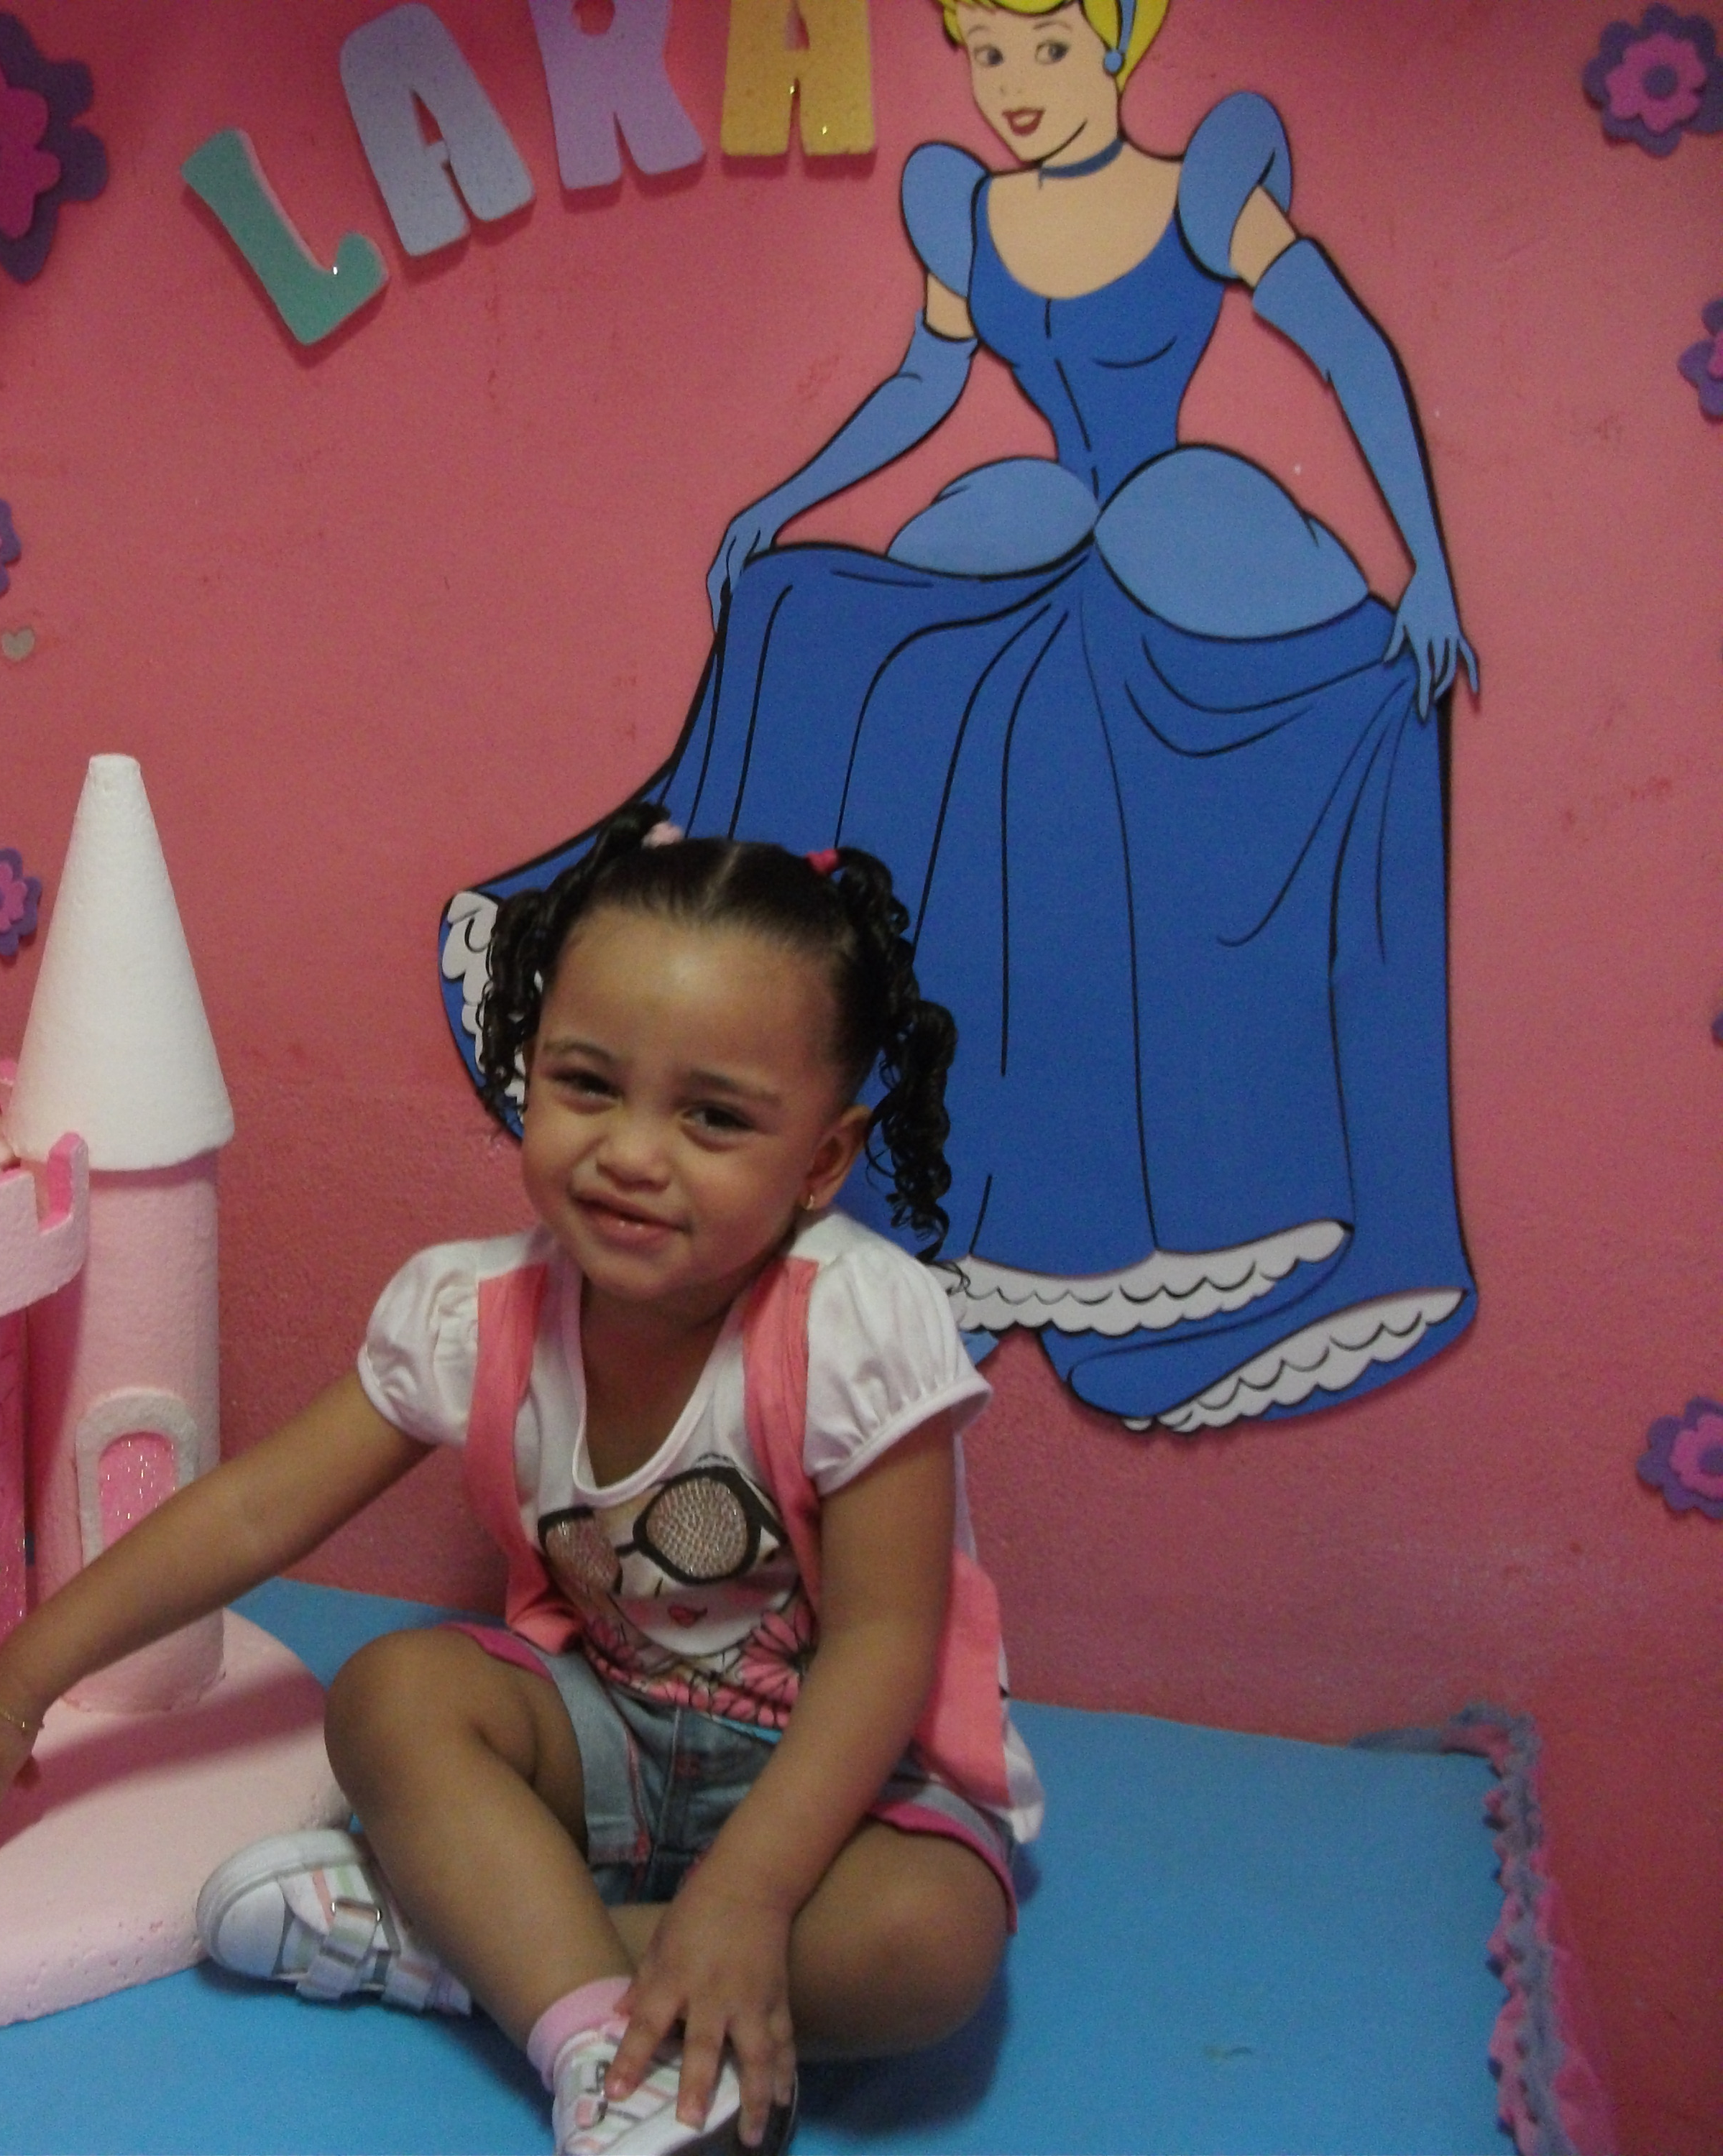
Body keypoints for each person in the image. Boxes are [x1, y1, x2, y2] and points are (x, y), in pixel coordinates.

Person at [0, 806, 1042, 2156]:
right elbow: (252, 1509)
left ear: (822, 1160)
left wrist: (751, 1897)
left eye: (713, 1117)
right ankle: (583, 2024)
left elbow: (886, 1639)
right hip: (613, 1734)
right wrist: (16, 1685)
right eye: (589, 1085)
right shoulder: (472, 1314)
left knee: (931, 1950)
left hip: (844, 1771)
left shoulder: (859, 1324)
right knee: (396, 1692)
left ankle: (453, 1944)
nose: (633, 1152)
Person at [441, 0, 1479, 1435]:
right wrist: (781, 499)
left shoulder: (1202, 186)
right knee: (810, 613)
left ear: (1113, 47)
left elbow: (1350, 348)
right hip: (1036, 522)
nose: (1010, 86)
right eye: (987, 53)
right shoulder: (965, 208)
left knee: (1062, 716)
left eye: (1043, 49)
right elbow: (924, 383)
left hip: (1180, 532)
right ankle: (805, 1039)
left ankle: (1122, 1167)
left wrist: (1427, 561)